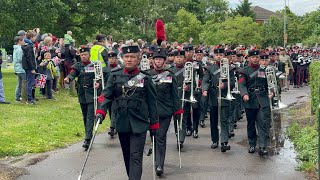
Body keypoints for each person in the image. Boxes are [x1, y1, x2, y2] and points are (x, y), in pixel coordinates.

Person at [95, 44, 159, 180]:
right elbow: (105, 95)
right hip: (122, 122)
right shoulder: (114, 76)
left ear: (138, 59)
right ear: (123, 58)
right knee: (127, 155)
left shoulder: (145, 78)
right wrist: (101, 111)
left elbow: (152, 102)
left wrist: (154, 124)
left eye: (132, 57)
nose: (129, 59)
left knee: (136, 156)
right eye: (126, 57)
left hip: (139, 123)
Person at [148, 47, 183, 176]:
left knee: (160, 136)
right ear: (153, 61)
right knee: (154, 136)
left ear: (164, 61)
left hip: (165, 112)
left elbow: (175, 94)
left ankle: (159, 165)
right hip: (151, 113)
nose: (158, 61)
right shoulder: (146, 75)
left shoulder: (169, 75)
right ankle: (157, 157)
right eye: (156, 59)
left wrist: (178, 110)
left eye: (160, 59)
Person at [64, 46, 100, 150]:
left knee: (90, 116)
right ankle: (88, 134)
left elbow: (100, 78)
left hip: (92, 94)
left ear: (89, 55)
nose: (83, 57)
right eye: (82, 55)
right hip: (82, 94)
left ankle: (87, 139)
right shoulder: (78, 66)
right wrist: (68, 78)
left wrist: (98, 84)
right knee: (85, 116)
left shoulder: (95, 66)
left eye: (85, 55)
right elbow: (72, 74)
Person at [238, 50, 273, 156]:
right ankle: (252, 144)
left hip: (262, 99)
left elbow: (270, 83)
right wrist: (244, 94)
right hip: (250, 100)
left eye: (257, 57)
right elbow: (242, 85)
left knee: (262, 123)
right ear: (249, 58)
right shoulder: (243, 71)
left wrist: (272, 92)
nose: (255, 59)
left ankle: (262, 146)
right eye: (252, 57)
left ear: (259, 58)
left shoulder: (265, 70)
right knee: (251, 124)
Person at [202, 46, 234, 152]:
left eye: (221, 55)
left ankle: (224, 141)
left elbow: (233, 82)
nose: (219, 56)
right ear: (214, 56)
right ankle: (215, 140)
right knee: (214, 120)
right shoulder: (210, 68)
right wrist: (205, 90)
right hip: (213, 96)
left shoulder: (229, 68)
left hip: (225, 96)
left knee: (224, 120)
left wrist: (224, 85)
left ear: (224, 56)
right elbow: (206, 80)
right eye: (217, 55)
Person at [22, 30, 37, 105]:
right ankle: (29, 99)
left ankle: (31, 97)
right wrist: (32, 68)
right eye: (34, 37)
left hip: (27, 66)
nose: (35, 38)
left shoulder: (27, 45)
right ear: (31, 37)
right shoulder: (29, 46)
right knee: (30, 83)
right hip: (29, 67)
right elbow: (29, 58)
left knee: (31, 82)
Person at [13, 36, 27, 102]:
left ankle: (17, 97)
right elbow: (20, 59)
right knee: (23, 83)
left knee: (19, 83)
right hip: (21, 69)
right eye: (23, 41)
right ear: (19, 41)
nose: (24, 42)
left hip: (17, 68)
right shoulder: (20, 49)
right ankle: (22, 97)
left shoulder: (15, 49)